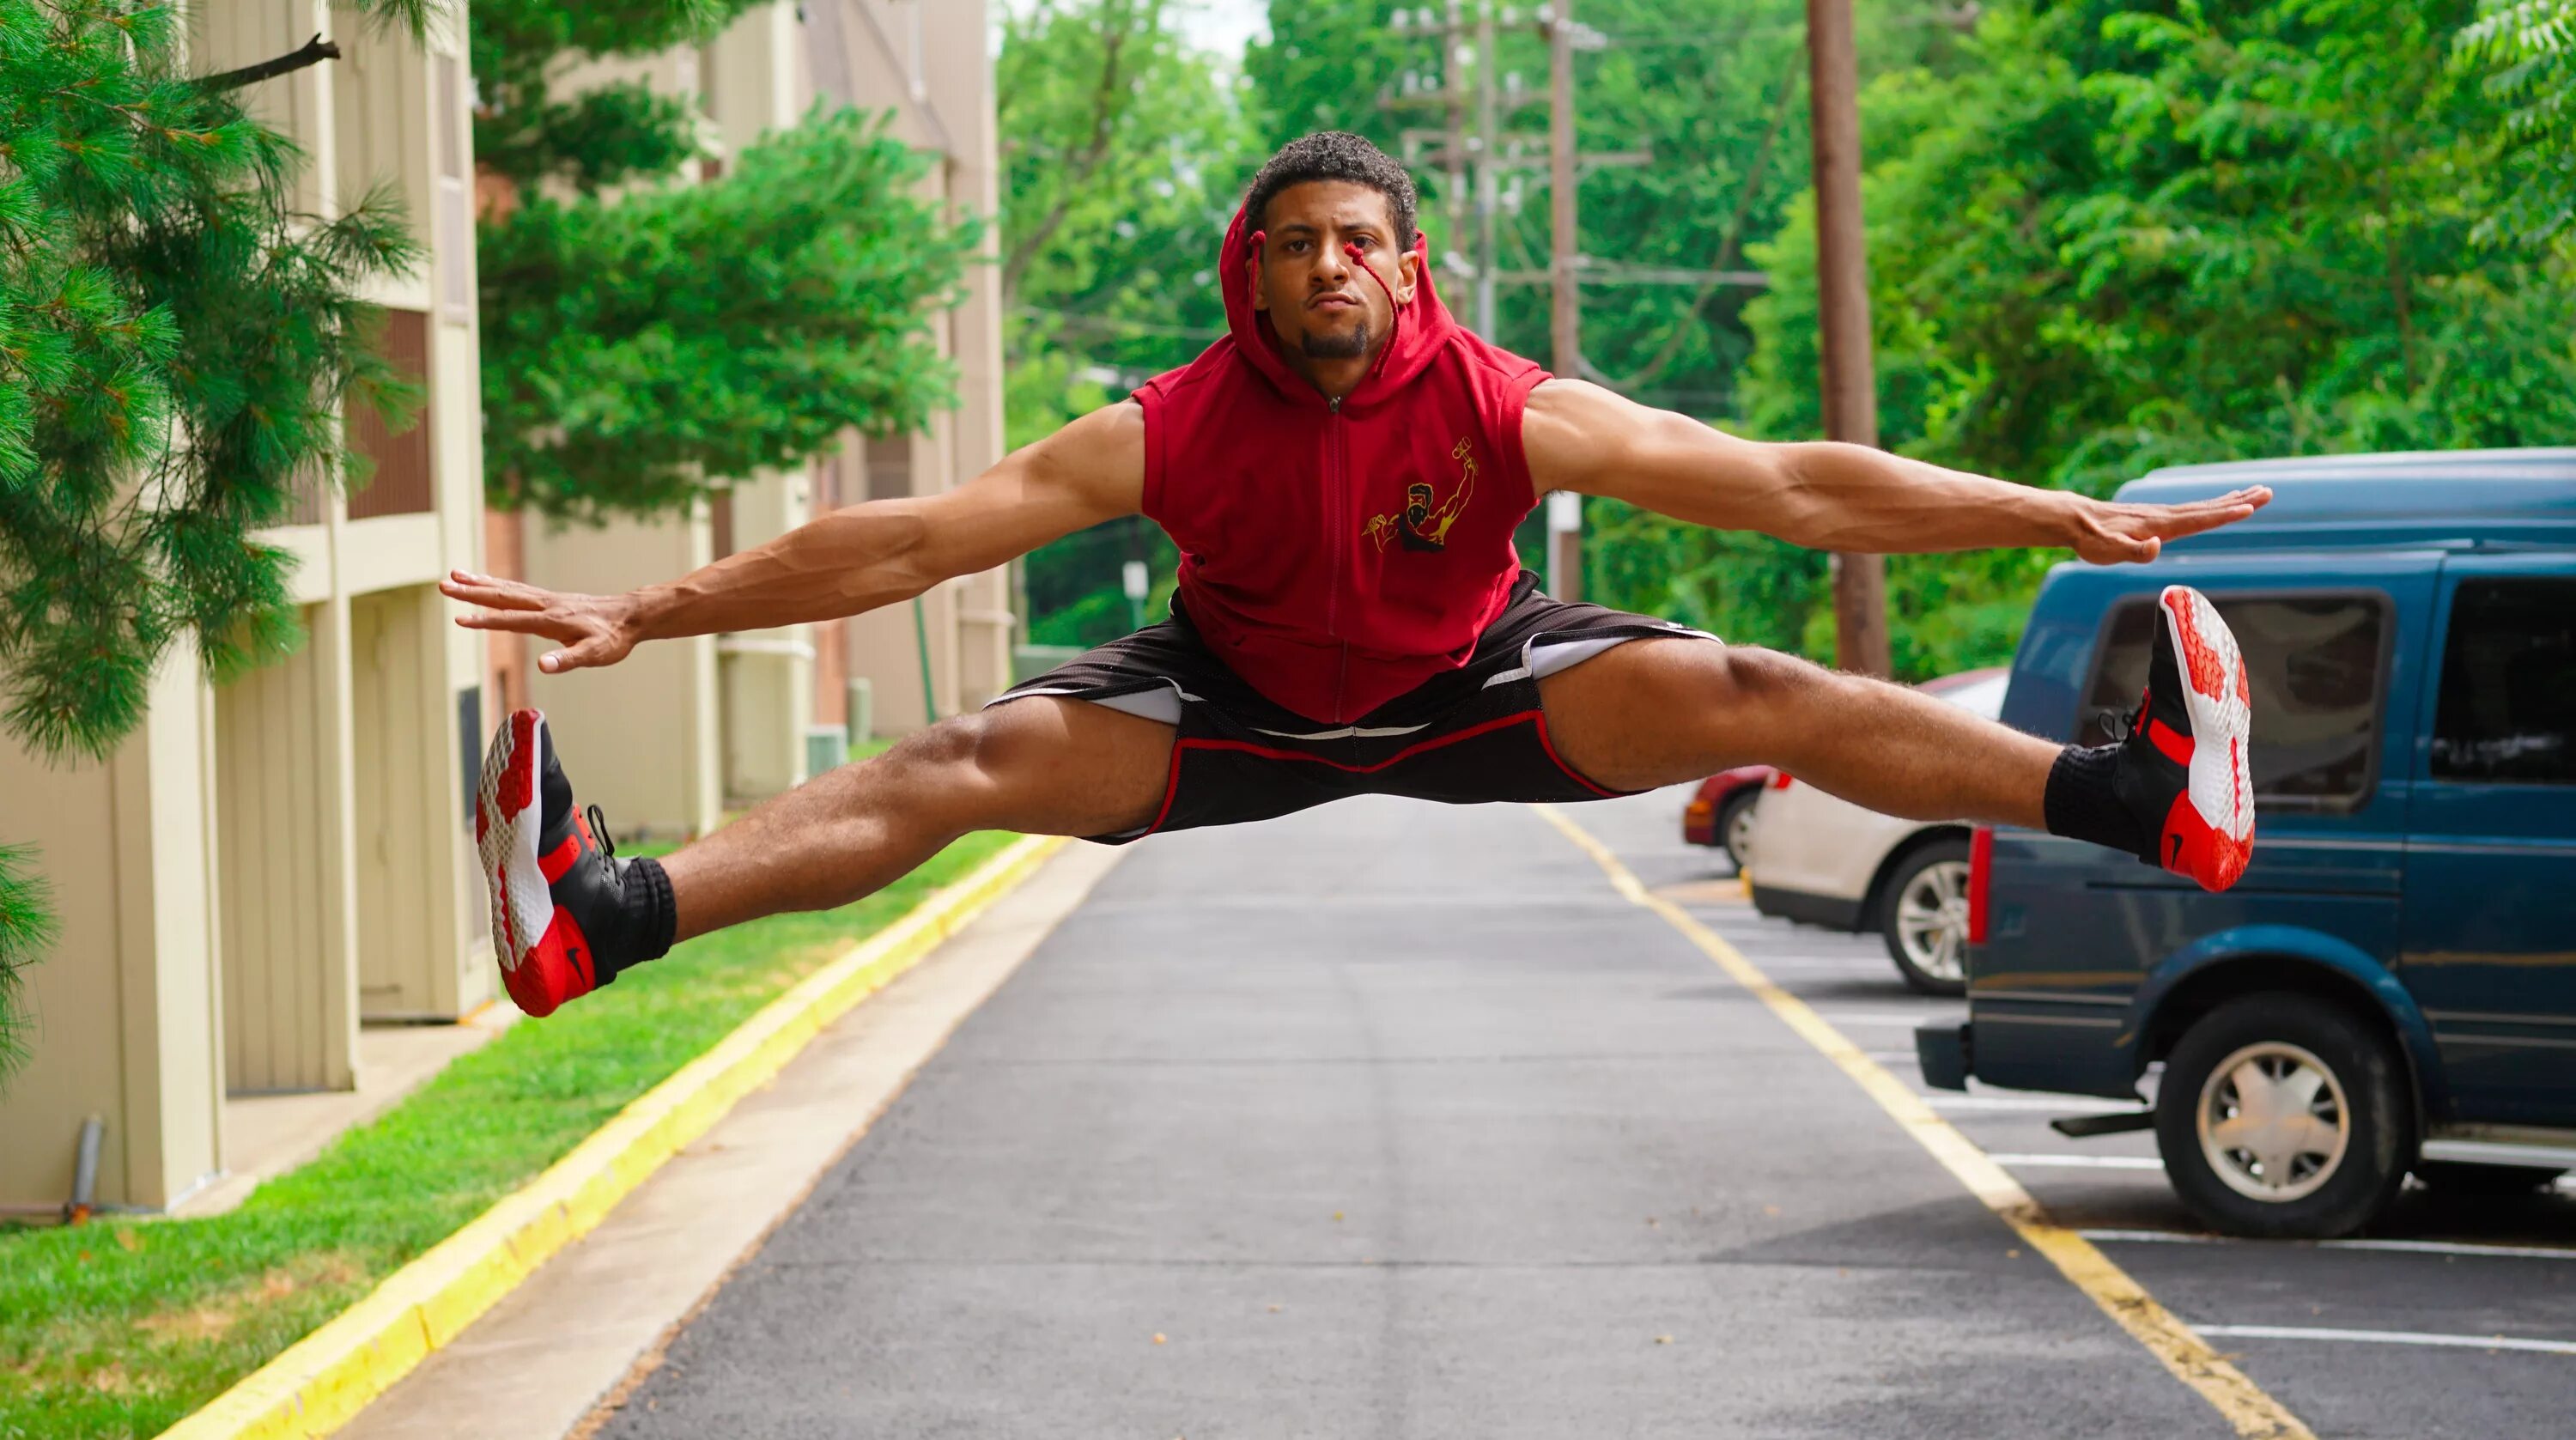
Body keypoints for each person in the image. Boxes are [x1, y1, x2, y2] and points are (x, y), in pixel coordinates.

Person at [447, 133, 2265, 1018]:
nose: (1329, 268)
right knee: (950, 763)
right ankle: (598, 920)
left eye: (1360, 246)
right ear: (1249, 276)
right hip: (1229, 700)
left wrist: (2054, 509)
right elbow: (913, 535)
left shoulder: (1507, 406)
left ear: (1413, 271)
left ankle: (2132, 796)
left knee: (1757, 688)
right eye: (1296, 245)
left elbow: (1792, 482)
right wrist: (652, 603)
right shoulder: (1163, 426)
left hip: (1474, 673)